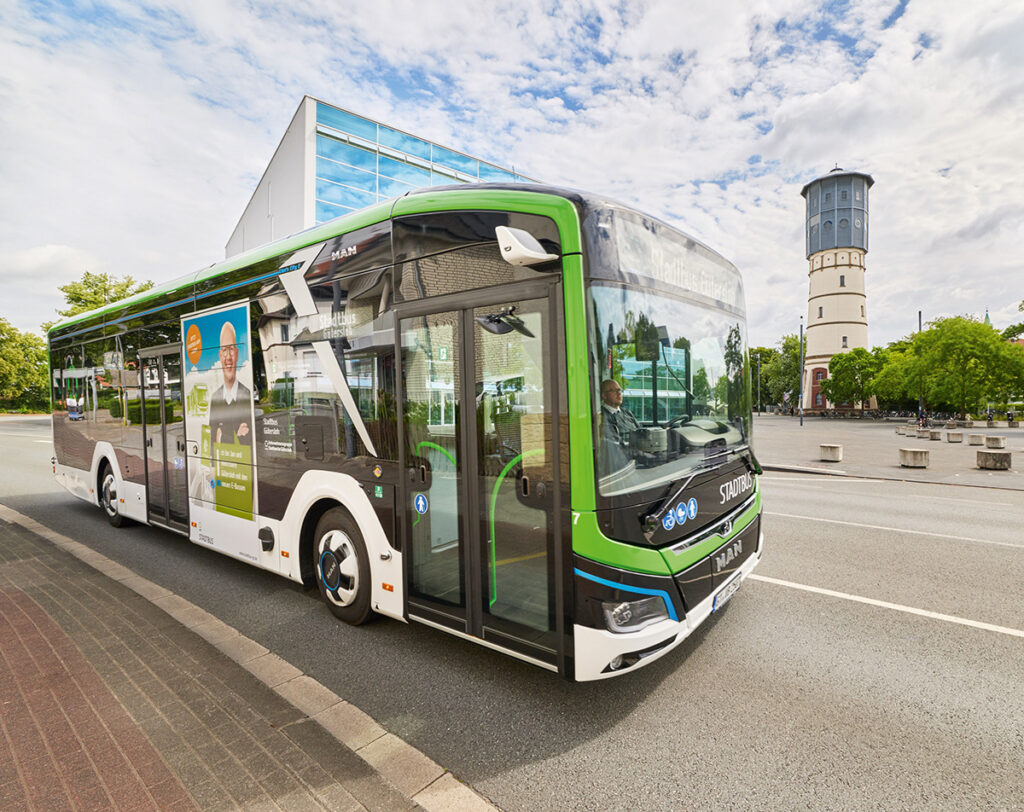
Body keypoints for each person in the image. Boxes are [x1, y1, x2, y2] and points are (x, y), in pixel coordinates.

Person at [209, 321, 251, 446]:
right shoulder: (215, 398)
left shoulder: (247, 395)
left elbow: (250, 442)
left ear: (237, 354)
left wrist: (222, 436)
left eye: (231, 349)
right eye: (224, 350)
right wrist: (235, 435)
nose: (228, 357)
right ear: (220, 355)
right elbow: (211, 441)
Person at [600, 378, 640, 445]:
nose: (619, 393)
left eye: (619, 390)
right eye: (614, 391)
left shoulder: (627, 412)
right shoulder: (602, 416)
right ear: (604, 395)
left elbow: (640, 431)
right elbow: (613, 444)